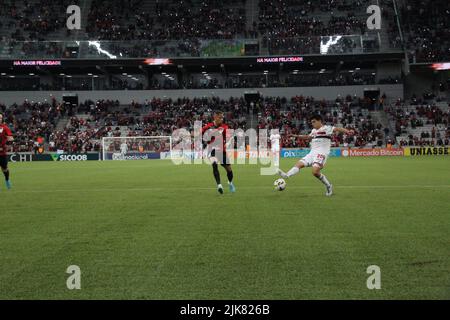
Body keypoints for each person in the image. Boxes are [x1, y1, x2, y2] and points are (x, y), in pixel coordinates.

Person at [277, 114, 354, 196]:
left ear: (319, 121)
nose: (312, 124)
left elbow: (337, 128)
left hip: (321, 153)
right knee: (299, 164)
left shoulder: (326, 128)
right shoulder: (314, 131)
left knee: (315, 172)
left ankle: (328, 186)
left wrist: (347, 131)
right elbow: (308, 137)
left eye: (314, 122)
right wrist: (296, 136)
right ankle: (286, 175)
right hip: (312, 153)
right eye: (311, 122)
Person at [202, 111, 235, 194]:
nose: (222, 119)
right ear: (215, 117)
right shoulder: (208, 127)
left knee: (229, 170)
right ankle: (219, 185)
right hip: (212, 150)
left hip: (222, 151)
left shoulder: (224, 127)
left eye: (222, 117)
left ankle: (230, 183)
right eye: (220, 117)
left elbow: (229, 137)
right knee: (214, 165)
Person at [0, 113, 14, 189]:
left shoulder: (5, 128)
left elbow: (11, 138)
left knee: (4, 168)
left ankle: (7, 180)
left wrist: (9, 140)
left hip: (2, 153)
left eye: (0, 118)